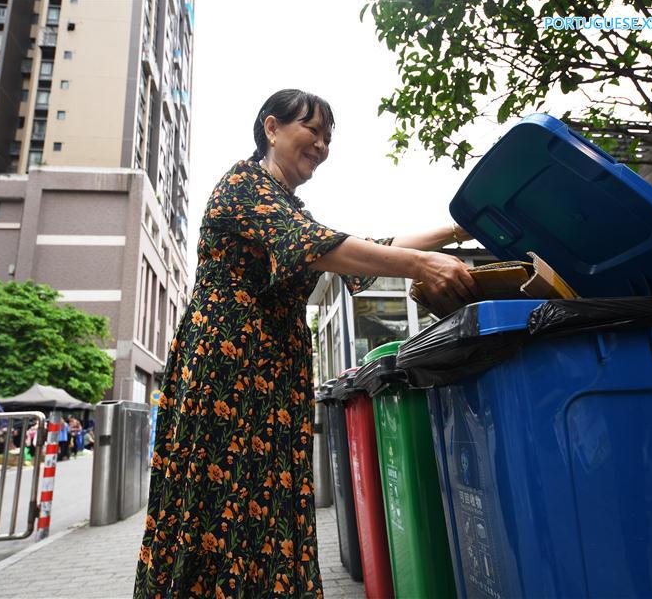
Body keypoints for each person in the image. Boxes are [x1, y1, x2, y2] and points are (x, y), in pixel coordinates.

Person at [134, 89, 478, 598]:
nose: (321, 144)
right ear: (271, 129)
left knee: (268, 504)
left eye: (328, 137)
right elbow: (325, 249)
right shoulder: (243, 184)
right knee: (222, 501)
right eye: (311, 130)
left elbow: (362, 250)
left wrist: (453, 231)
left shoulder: (288, 207)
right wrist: (420, 266)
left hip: (270, 374)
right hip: (229, 372)